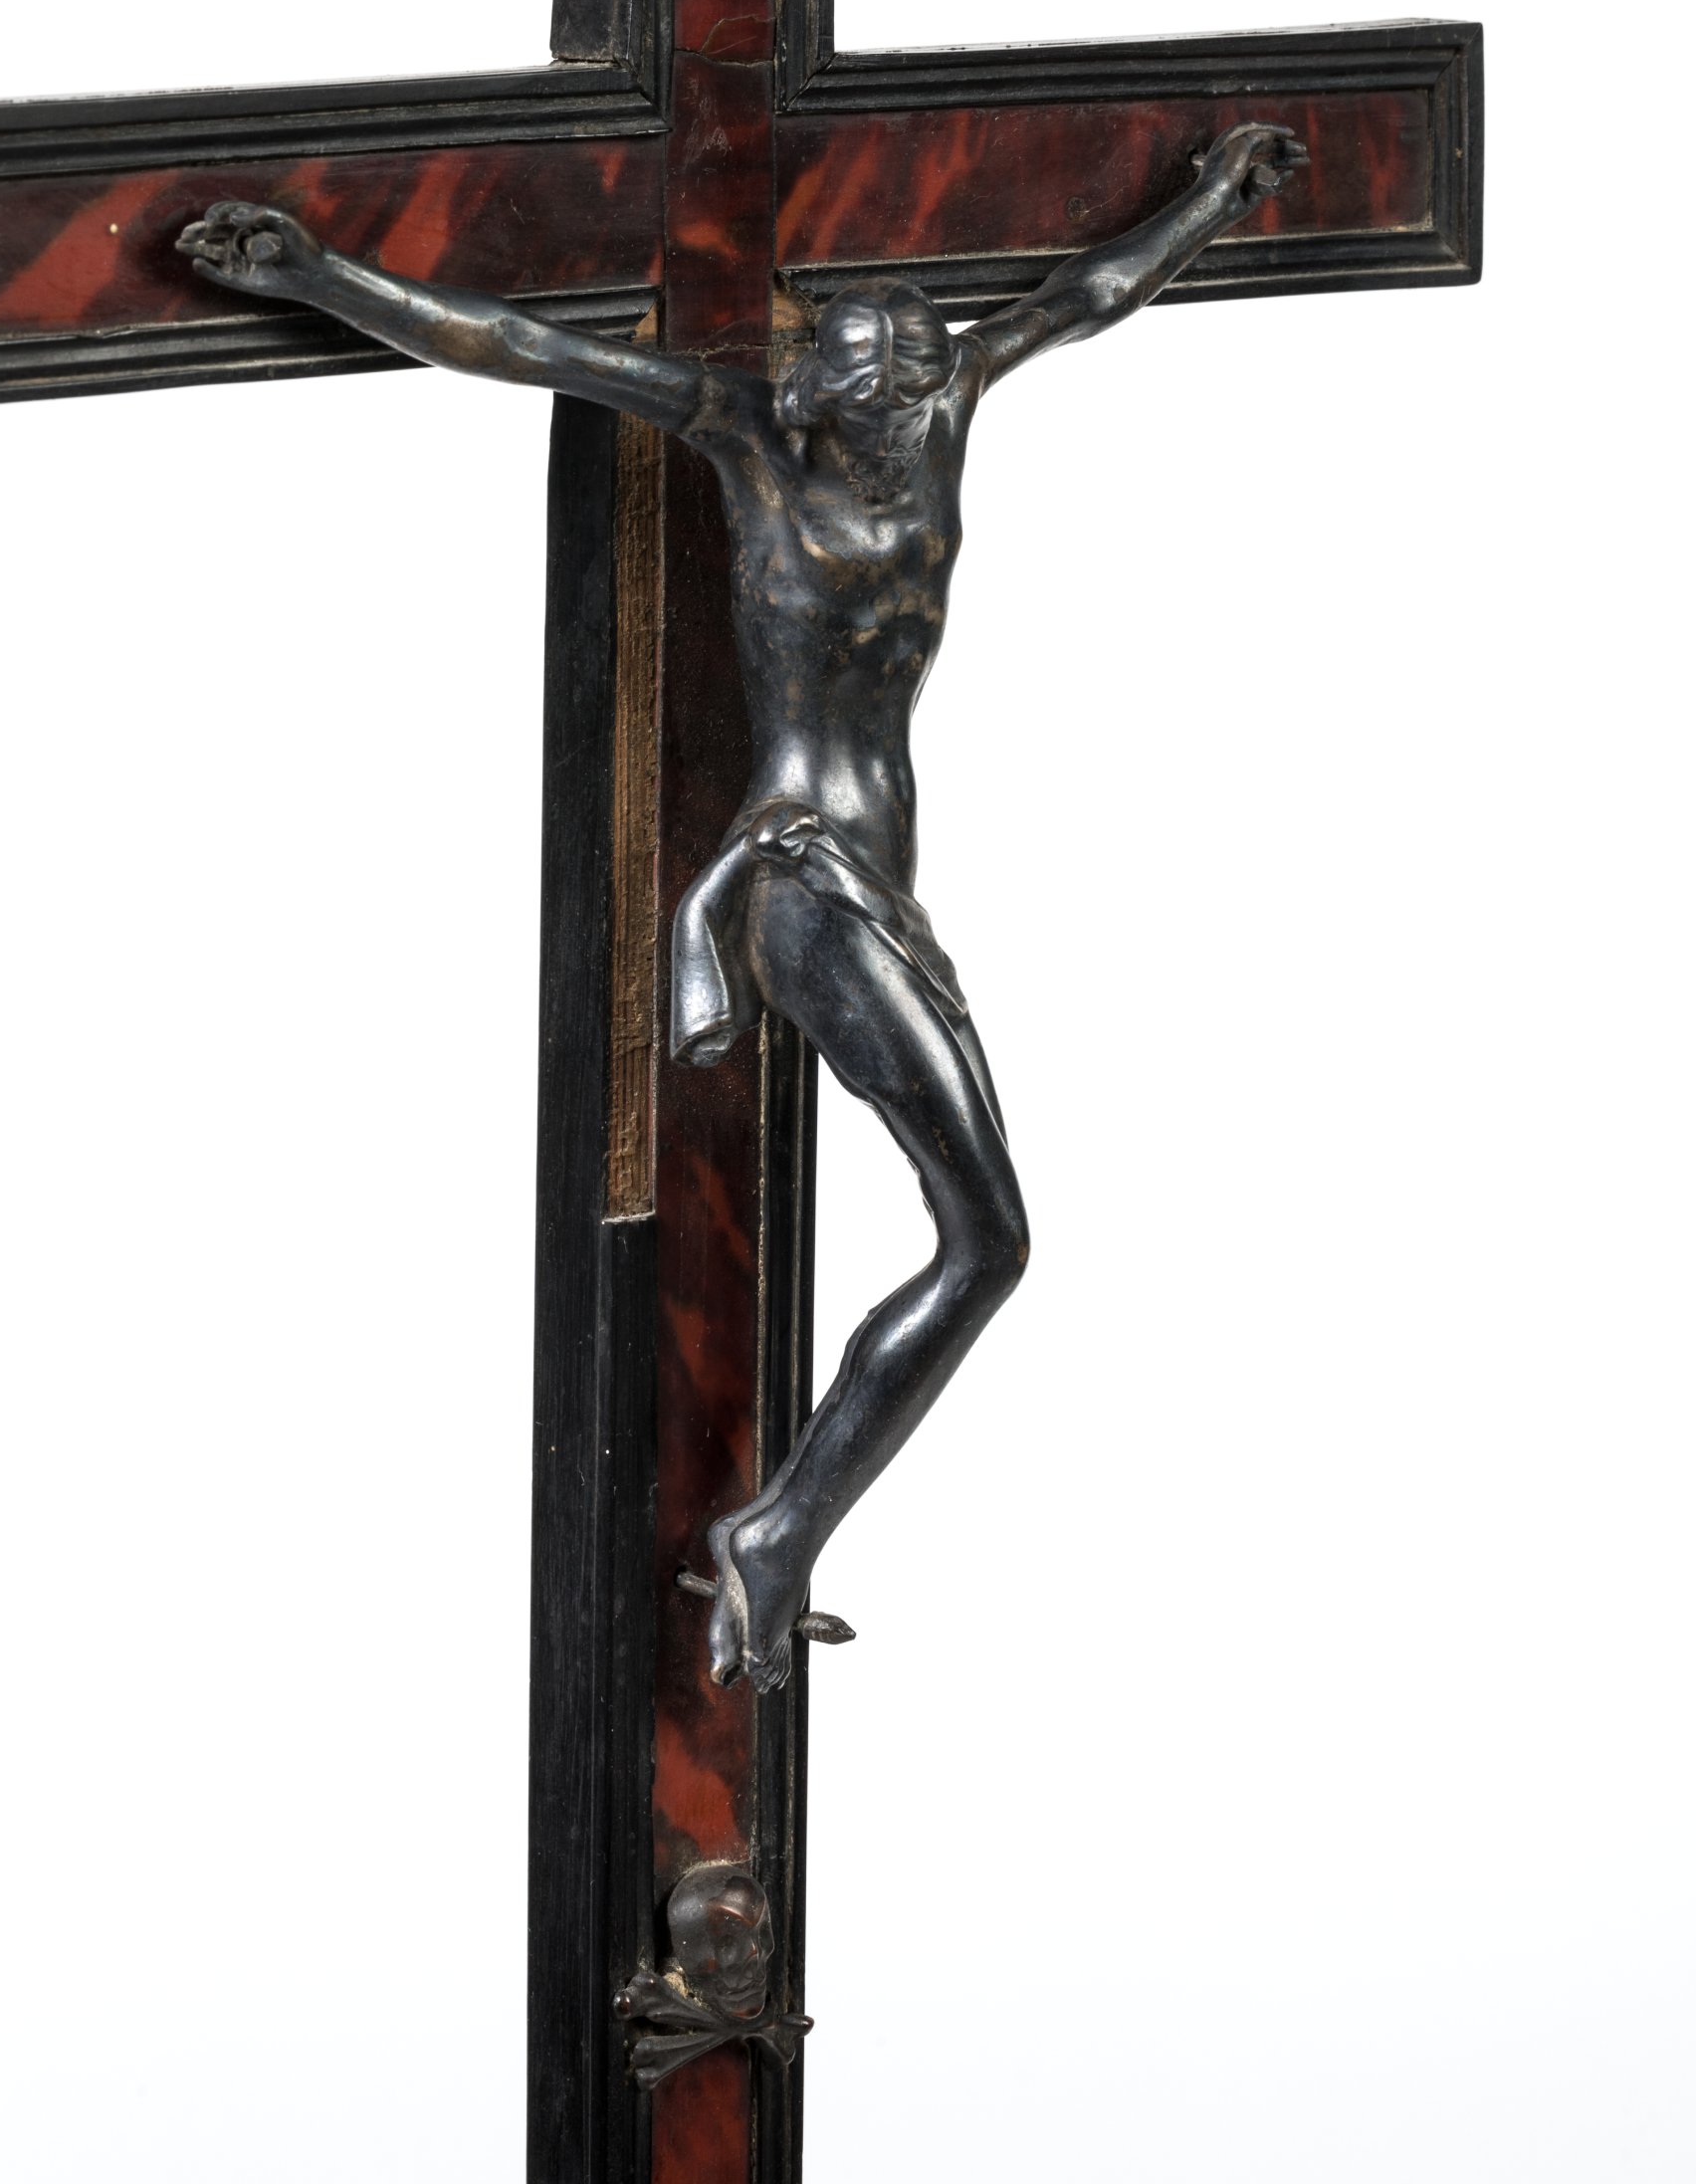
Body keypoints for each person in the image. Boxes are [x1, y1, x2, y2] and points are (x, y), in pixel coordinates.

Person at [178, 118, 1307, 1689]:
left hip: (882, 885)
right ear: (815, 390)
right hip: (798, 884)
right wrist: (322, 277)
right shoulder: (750, 442)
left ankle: (780, 1529)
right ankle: (777, 1534)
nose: (905, 399)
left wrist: (1213, 198)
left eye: (917, 375)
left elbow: (1085, 295)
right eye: (876, 382)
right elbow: (519, 345)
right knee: (989, 1240)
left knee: (985, 1238)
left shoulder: (948, 415)